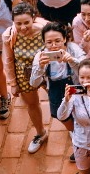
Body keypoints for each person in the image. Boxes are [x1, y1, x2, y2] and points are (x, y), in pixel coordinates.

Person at [27, 25, 80, 155]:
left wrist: (71, 61)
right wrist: (40, 66)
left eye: (57, 41)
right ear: (44, 43)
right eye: (49, 42)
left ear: (64, 39)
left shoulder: (73, 49)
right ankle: (75, 133)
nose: (54, 45)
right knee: (62, 115)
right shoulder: (40, 56)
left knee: (80, 114)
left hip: (74, 87)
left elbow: (86, 71)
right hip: (56, 90)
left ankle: (81, 142)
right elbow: (34, 83)